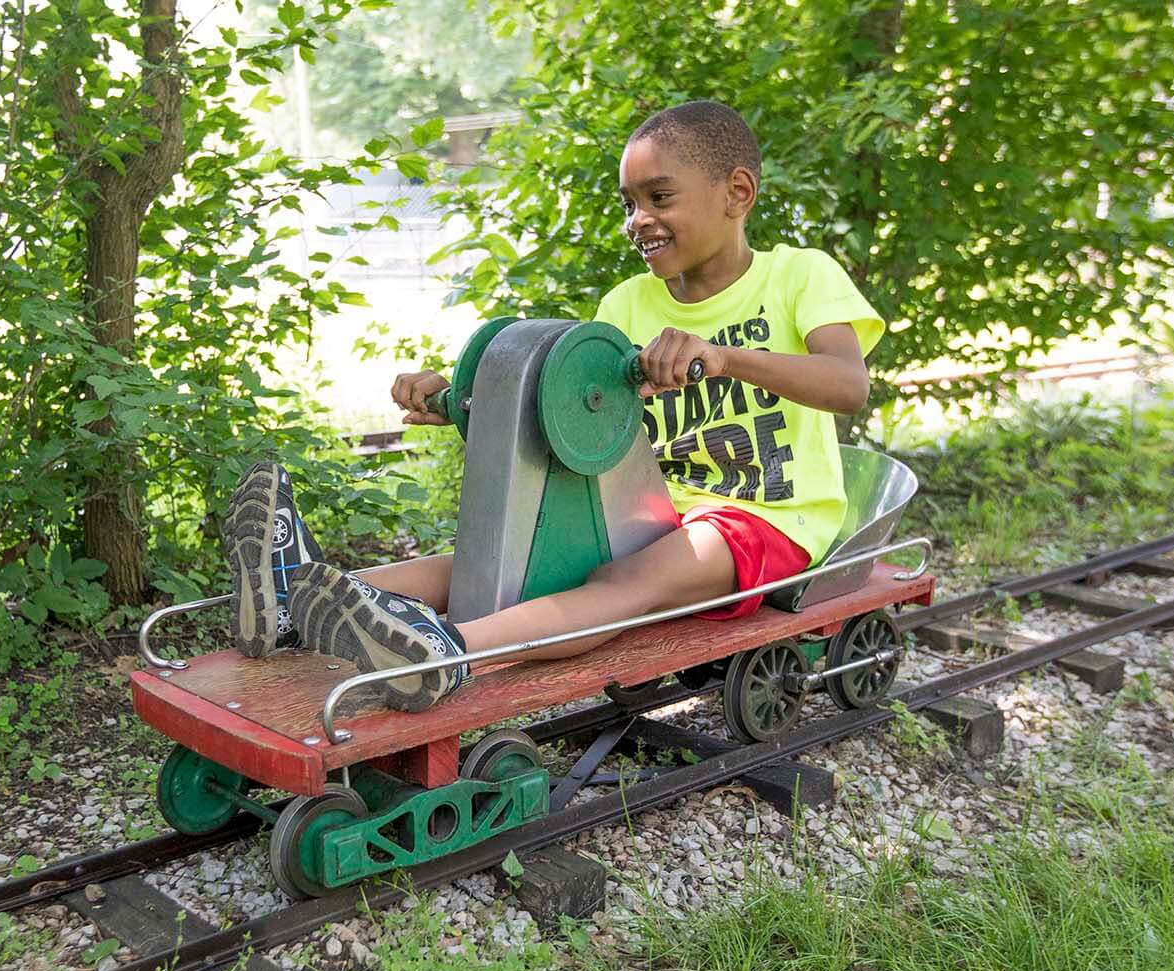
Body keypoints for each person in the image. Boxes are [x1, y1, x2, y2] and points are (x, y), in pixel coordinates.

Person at [225, 100, 884, 713]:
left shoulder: (800, 276)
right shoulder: (626, 306)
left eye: (660, 198)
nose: (639, 220)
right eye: (630, 203)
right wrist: (465, 406)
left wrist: (726, 356)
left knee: (627, 581)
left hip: (763, 519)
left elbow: (846, 384)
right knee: (501, 562)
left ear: (737, 194)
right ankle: (294, 592)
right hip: (651, 510)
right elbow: (582, 431)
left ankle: (448, 650)